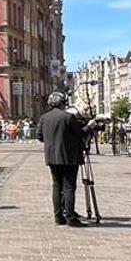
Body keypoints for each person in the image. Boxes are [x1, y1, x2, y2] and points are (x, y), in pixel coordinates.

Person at [38, 92, 88, 226]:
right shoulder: (68, 117)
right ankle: (71, 217)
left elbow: (40, 137)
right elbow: (80, 134)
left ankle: (58, 216)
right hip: (68, 157)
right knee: (69, 187)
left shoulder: (44, 118)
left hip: (51, 157)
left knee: (56, 186)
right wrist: (91, 126)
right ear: (62, 103)